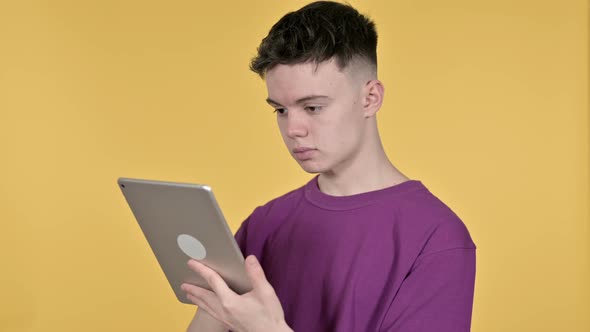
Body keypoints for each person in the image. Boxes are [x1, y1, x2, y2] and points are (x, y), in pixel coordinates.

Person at [182, 1, 476, 331]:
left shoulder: (436, 237)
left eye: (312, 107)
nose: (293, 128)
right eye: (280, 110)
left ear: (370, 99)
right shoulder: (264, 223)